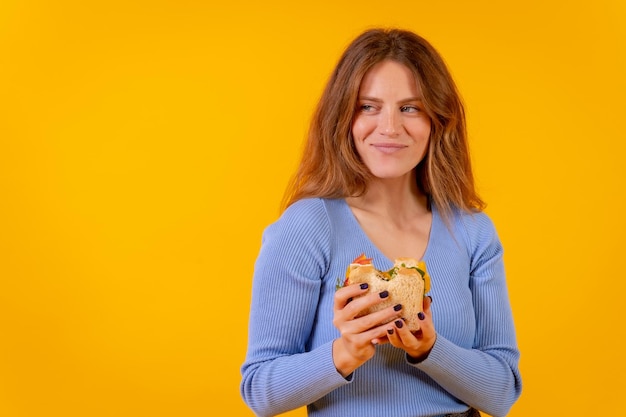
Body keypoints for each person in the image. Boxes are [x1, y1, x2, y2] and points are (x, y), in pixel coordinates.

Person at [240, 28, 522, 417]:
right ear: (343, 118)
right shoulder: (306, 227)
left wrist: (428, 349)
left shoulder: (473, 231)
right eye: (368, 106)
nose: (390, 127)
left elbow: (502, 391)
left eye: (410, 108)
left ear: (437, 120)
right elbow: (260, 391)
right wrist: (347, 351)